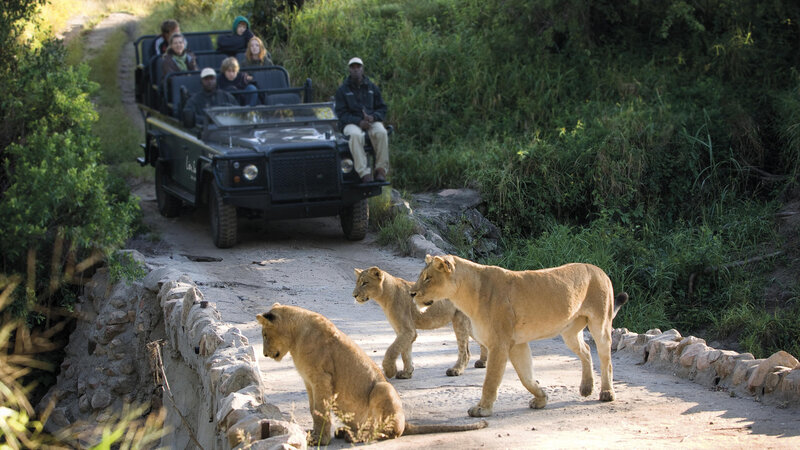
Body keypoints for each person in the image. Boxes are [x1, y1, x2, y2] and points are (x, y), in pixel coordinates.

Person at [334, 57, 389, 182]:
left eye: (358, 67)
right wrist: (359, 122)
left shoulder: (372, 88)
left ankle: (381, 170)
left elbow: (382, 108)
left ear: (362, 69)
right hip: (351, 122)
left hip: (371, 121)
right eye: (353, 67)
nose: (356, 70)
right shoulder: (342, 90)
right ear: (349, 70)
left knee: (382, 132)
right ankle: (364, 173)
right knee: (355, 135)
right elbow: (342, 114)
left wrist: (373, 117)